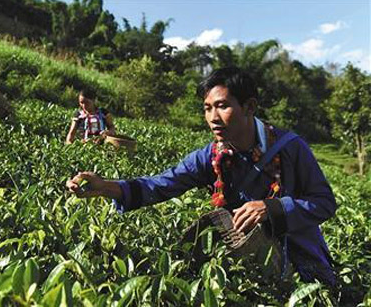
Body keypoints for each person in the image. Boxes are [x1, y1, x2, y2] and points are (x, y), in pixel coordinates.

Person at [66, 67, 337, 286]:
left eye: (222, 106)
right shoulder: (210, 156)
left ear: (249, 106)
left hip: (301, 259)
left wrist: (272, 208)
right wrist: (106, 187)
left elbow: (324, 202)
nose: (213, 117)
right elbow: (163, 184)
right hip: (246, 260)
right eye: (207, 108)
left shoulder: (290, 147)